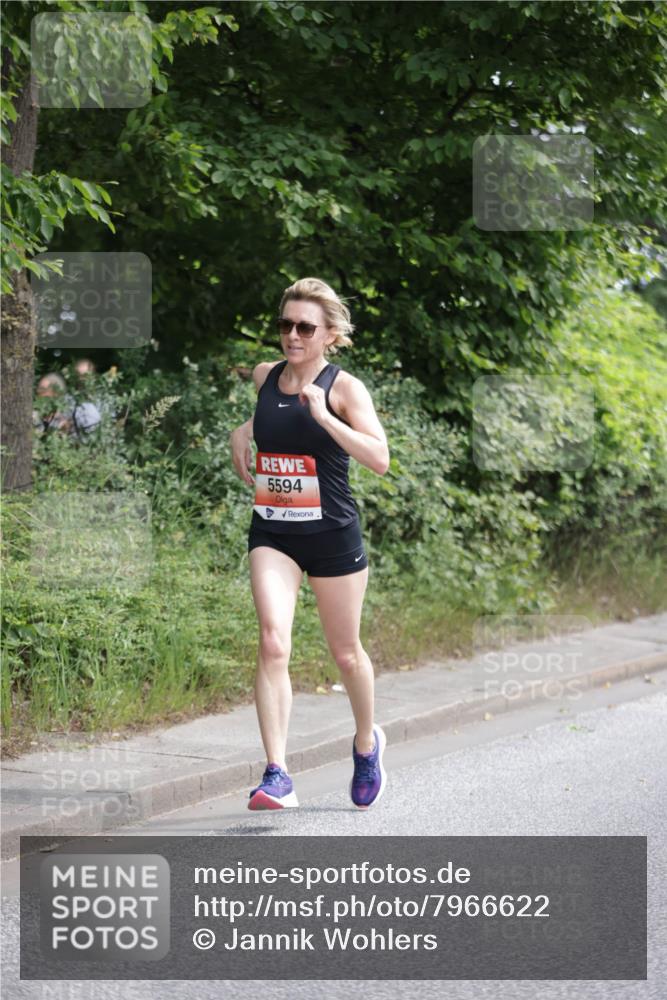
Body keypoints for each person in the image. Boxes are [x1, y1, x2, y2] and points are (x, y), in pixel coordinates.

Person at [229, 277, 390, 811]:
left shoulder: (345, 389)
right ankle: (276, 773)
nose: (292, 335)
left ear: (329, 335)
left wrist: (324, 415)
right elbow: (268, 418)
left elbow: (379, 458)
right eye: (285, 325)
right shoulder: (265, 376)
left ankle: (366, 745)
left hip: (331, 535)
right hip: (273, 531)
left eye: (305, 327)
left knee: (346, 654)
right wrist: (242, 430)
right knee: (274, 642)